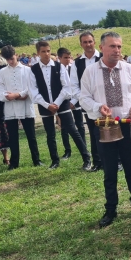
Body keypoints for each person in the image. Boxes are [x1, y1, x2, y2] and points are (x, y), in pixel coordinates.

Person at [80, 31, 131, 227]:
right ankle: (111, 209)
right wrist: (97, 108)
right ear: (101, 48)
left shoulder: (128, 69)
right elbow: (83, 98)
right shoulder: (90, 72)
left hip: (127, 125)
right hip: (104, 127)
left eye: (119, 46)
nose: (117, 50)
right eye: (112, 46)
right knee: (110, 170)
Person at [29, 41, 91, 170]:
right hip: (44, 105)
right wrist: (47, 105)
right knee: (50, 134)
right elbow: (33, 91)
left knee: (73, 130)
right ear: (38, 53)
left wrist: (56, 103)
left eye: (48, 51)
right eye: (43, 52)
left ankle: (86, 158)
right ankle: (55, 160)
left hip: (61, 103)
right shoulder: (33, 70)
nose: (46, 54)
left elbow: (66, 87)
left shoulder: (58, 66)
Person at [0, 45, 43, 170]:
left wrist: (20, 94)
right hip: (10, 108)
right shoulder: (2, 72)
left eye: (12, 58)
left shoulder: (27, 70)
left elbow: (32, 87)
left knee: (31, 135)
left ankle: (36, 159)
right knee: (12, 137)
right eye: (8, 59)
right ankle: (14, 162)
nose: (11, 61)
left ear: (16, 55)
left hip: (26, 105)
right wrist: (11, 96)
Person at [70, 31, 103, 172]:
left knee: (111, 132)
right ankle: (97, 162)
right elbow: (74, 85)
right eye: (85, 42)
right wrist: (85, 100)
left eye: (90, 41)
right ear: (81, 44)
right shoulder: (77, 63)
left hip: (105, 104)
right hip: (88, 106)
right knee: (94, 133)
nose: (88, 44)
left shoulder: (103, 57)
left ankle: (116, 161)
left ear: (94, 42)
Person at [57, 47, 87, 159]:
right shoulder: (57, 70)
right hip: (64, 102)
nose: (68, 60)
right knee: (64, 127)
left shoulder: (72, 68)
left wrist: (74, 101)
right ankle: (67, 150)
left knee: (80, 125)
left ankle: (83, 147)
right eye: (65, 58)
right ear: (59, 58)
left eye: (69, 57)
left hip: (76, 101)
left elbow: (76, 86)